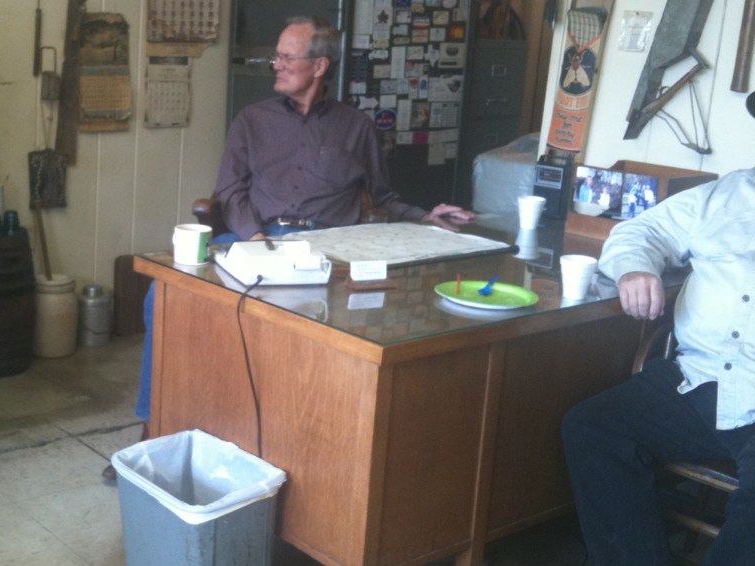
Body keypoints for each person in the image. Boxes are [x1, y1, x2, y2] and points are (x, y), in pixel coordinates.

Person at [103, 16, 474, 480]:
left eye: (284, 56)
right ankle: (151, 426)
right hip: (253, 237)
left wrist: (428, 217)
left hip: (327, 248)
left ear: (319, 66)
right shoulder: (251, 121)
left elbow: (382, 198)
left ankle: (299, 447)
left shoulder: (356, 127)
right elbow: (230, 192)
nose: (273, 64)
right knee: (165, 295)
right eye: (274, 56)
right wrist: (256, 241)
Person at [561, 153, 755, 561]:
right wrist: (634, 269)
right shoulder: (725, 194)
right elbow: (641, 231)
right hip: (700, 376)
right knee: (592, 427)